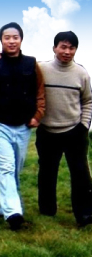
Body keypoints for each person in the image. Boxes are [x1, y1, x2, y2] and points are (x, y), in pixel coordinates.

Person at [0, 23, 45, 230]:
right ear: (1, 40)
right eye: (7, 37)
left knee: (15, 168)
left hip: (24, 125)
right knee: (6, 167)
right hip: (0, 125)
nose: (11, 41)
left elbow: (40, 92)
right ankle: (14, 213)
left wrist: (38, 115)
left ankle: (3, 206)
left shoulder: (31, 64)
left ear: (21, 39)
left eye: (15, 37)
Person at [36, 31, 92, 227]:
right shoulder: (41, 69)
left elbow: (88, 101)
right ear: (54, 48)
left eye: (71, 48)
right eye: (63, 47)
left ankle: (85, 214)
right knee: (47, 172)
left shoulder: (81, 73)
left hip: (74, 131)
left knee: (80, 174)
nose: (67, 51)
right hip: (46, 130)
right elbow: (20, 69)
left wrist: (84, 125)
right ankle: (47, 210)